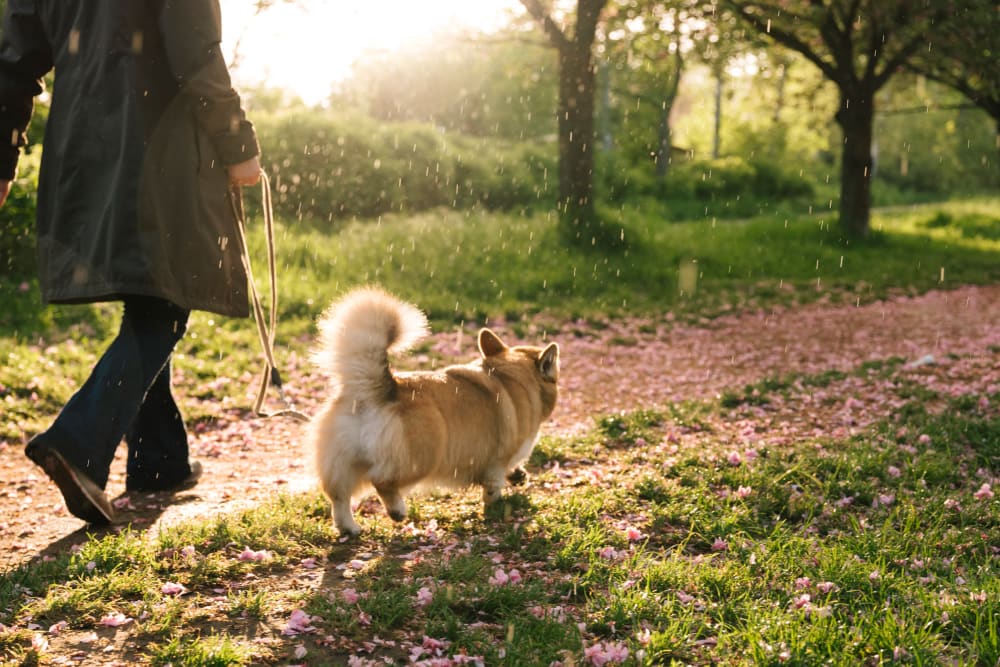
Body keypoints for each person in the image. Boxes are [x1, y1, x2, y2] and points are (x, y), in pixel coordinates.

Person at [0, 0, 262, 524]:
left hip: (83, 142)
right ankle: (78, 442)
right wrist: (237, 142)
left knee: (151, 291)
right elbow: (197, 52)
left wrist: (2, 157)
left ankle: (159, 462)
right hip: (158, 144)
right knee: (168, 298)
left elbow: (12, 62)